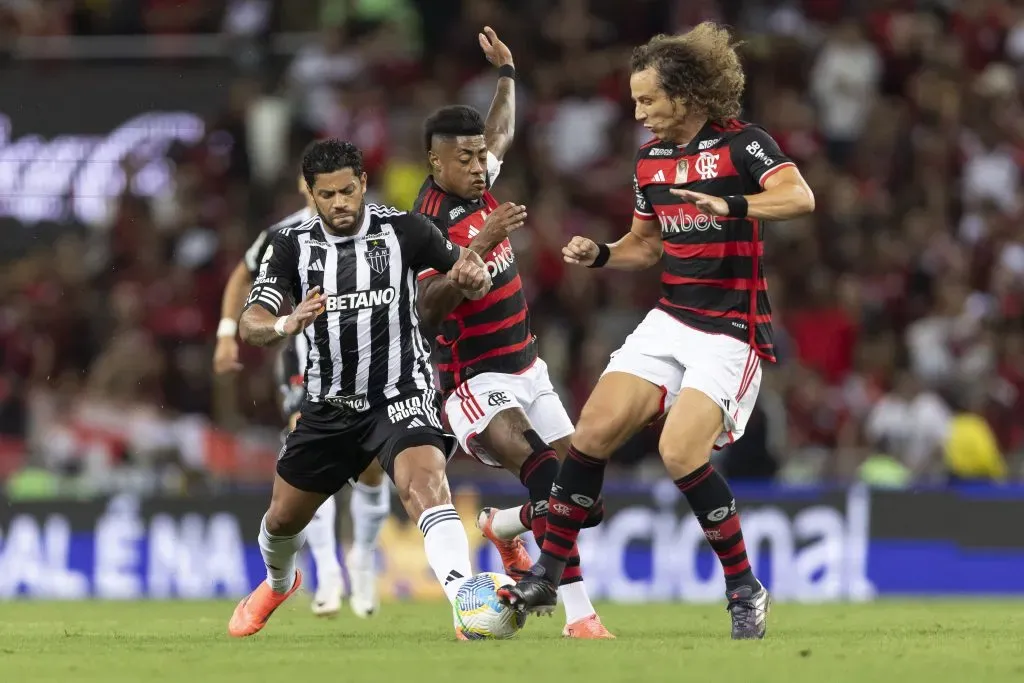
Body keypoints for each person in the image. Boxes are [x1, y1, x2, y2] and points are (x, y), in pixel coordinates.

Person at [498, 23, 816, 640]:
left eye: (648, 100)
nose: (638, 112)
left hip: (731, 328)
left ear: (688, 94)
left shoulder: (742, 146)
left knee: (678, 451)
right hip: (671, 318)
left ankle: (744, 588)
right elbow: (645, 246)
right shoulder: (650, 162)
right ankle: (547, 571)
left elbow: (799, 197)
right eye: (635, 100)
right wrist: (601, 255)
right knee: (590, 432)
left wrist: (736, 206)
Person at [227, 139, 492, 639]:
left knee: (426, 485)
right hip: (327, 408)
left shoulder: (406, 230)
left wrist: (470, 276)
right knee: (282, 521)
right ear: (311, 193)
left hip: (401, 393)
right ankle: (279, 583)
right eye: (327, 195)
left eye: (348, 191)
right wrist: (287, 323)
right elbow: (251, 322)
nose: (340, 203)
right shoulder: (291, 245)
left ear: (363, 184)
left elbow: (458, 269)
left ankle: (465, 600)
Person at [413, 26, 611, 639]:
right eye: (464, 159)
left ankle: (504, 528)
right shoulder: (424, 225)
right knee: (552, 480)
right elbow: (425, 310)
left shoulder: (481, 181)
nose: (478, 166)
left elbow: (498, 130)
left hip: (529, 368)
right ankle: (582, 620)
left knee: (587, 502)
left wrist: (508, 74)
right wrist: (472, 251)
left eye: (479, 158)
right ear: (434, 162)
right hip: (475, 381)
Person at [213, 163, 390, 618]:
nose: (331, 198)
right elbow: (241, 276)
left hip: (369, 361)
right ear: (305, 188)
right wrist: (227, 332)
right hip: (304, 359)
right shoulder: (283, 235)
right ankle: (328, 572)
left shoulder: (379, 227)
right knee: (310, 449)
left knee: (371, 467)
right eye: (320, 188)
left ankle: (363, 563)